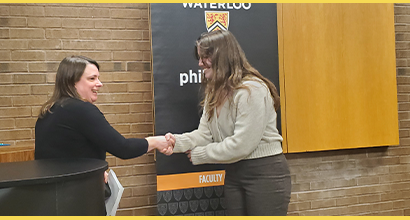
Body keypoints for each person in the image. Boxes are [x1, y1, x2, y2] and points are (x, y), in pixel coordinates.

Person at [163, 30, 291, 216]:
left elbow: (242, 145)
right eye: (199, 57)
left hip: (265, 174)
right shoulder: (214, 90)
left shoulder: (252, 89)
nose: (199, 63)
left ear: (221, 56)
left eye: (204, 57)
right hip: (234, 172)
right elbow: (205, 134)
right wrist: (175, 142)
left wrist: (200, 154)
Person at [35, 56, 173, 213]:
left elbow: (62, 155)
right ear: (72, 82)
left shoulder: (49, 111)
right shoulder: (82, 110)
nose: (99, 84)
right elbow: (123, 148)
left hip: (52, 201)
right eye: (92, 78)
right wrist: (154, 142)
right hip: (79, 202)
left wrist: (94, 169)